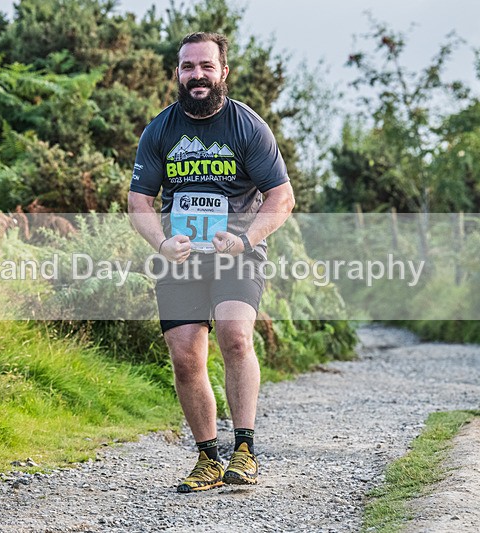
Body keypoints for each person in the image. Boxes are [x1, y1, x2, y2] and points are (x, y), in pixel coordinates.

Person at [127, 31, 295, 493]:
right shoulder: (159, 130)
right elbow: (139, 201)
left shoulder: (248, 127)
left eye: (205, 66)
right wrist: (162, 244)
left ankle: (245, 450)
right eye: (188, 67)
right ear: (177, 74)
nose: (196, 75)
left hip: (237, 253)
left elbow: (282, 198)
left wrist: (244, 239)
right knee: (185, 356)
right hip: (180, 257)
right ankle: (207, 458)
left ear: (223, 72)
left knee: (235, 336)